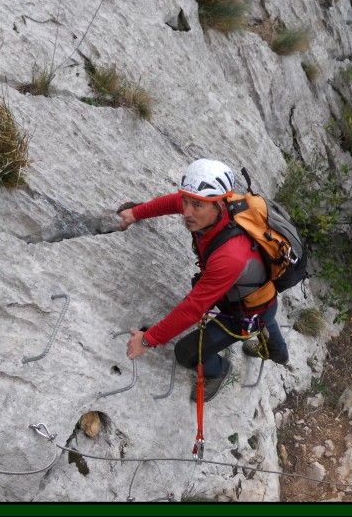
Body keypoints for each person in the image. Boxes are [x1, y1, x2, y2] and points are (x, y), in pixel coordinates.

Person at [118, 158, 289, 402]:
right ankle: (275, 348)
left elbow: (194, 308)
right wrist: (136, 212)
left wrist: (148, 339)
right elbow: (173, 202)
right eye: (186, 202)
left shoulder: (231, 255)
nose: (186, 212)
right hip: (251, 296)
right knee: (266, 316)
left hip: (246, 312)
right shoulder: (210, 206)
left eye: (195, 205)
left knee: (186, 353)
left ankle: (220, 370)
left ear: (219, 204)